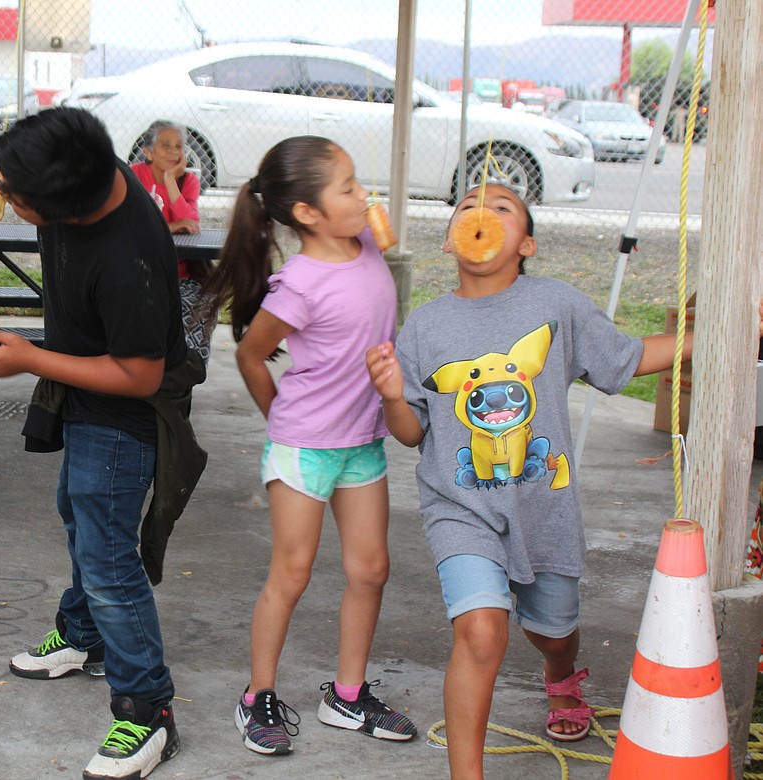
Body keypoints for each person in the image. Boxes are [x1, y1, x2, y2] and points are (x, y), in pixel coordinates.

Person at [365, 182, 710, 780]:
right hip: (460, 506)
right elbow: (411, 433)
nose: (482, 215)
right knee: (480, 632)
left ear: (524, 242)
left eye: (501, 209)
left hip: (544, 508)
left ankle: (560, 677)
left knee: (554, 634)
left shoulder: (557, 305)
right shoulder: (424, 326)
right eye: (468, 208)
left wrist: (709, 340)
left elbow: (625, 357)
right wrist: (393, 395)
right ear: (450, 239)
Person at [0, 107, 196, 780]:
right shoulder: (84, 171)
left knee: (107, 557)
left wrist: (29, 361)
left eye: (12, 192)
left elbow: (141, 374)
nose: (1, 192)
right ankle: (83, 633)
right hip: (85, 383)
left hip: (126, 409)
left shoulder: (130, 261)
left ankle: (148, 710)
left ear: (62, 204)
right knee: (80, 511)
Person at [200, 135, 417, 757]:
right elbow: (249, 351)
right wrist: (280, 418)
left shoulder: (369, 243)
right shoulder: (298, 284)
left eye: (358, 182)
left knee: (371, 569)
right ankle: (257, 696)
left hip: (361, 440)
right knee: (291, 574)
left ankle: (347, 696)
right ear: (306, 214)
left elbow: (382, 249)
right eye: (347, 188)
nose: (363, 195)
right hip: (304, 447)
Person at [129, 120, 215, 367]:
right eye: (165, 146)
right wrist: (170, 227)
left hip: (181, 273)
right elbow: (130, 226)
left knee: (205, 300)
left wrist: (169, 180)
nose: (174, 152)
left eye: (179, 146)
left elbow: (191, 223)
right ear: (148, 151)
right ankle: (144, 368)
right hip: (141, 271)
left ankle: (187, 369)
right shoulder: (134, 176)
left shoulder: (188, 181)